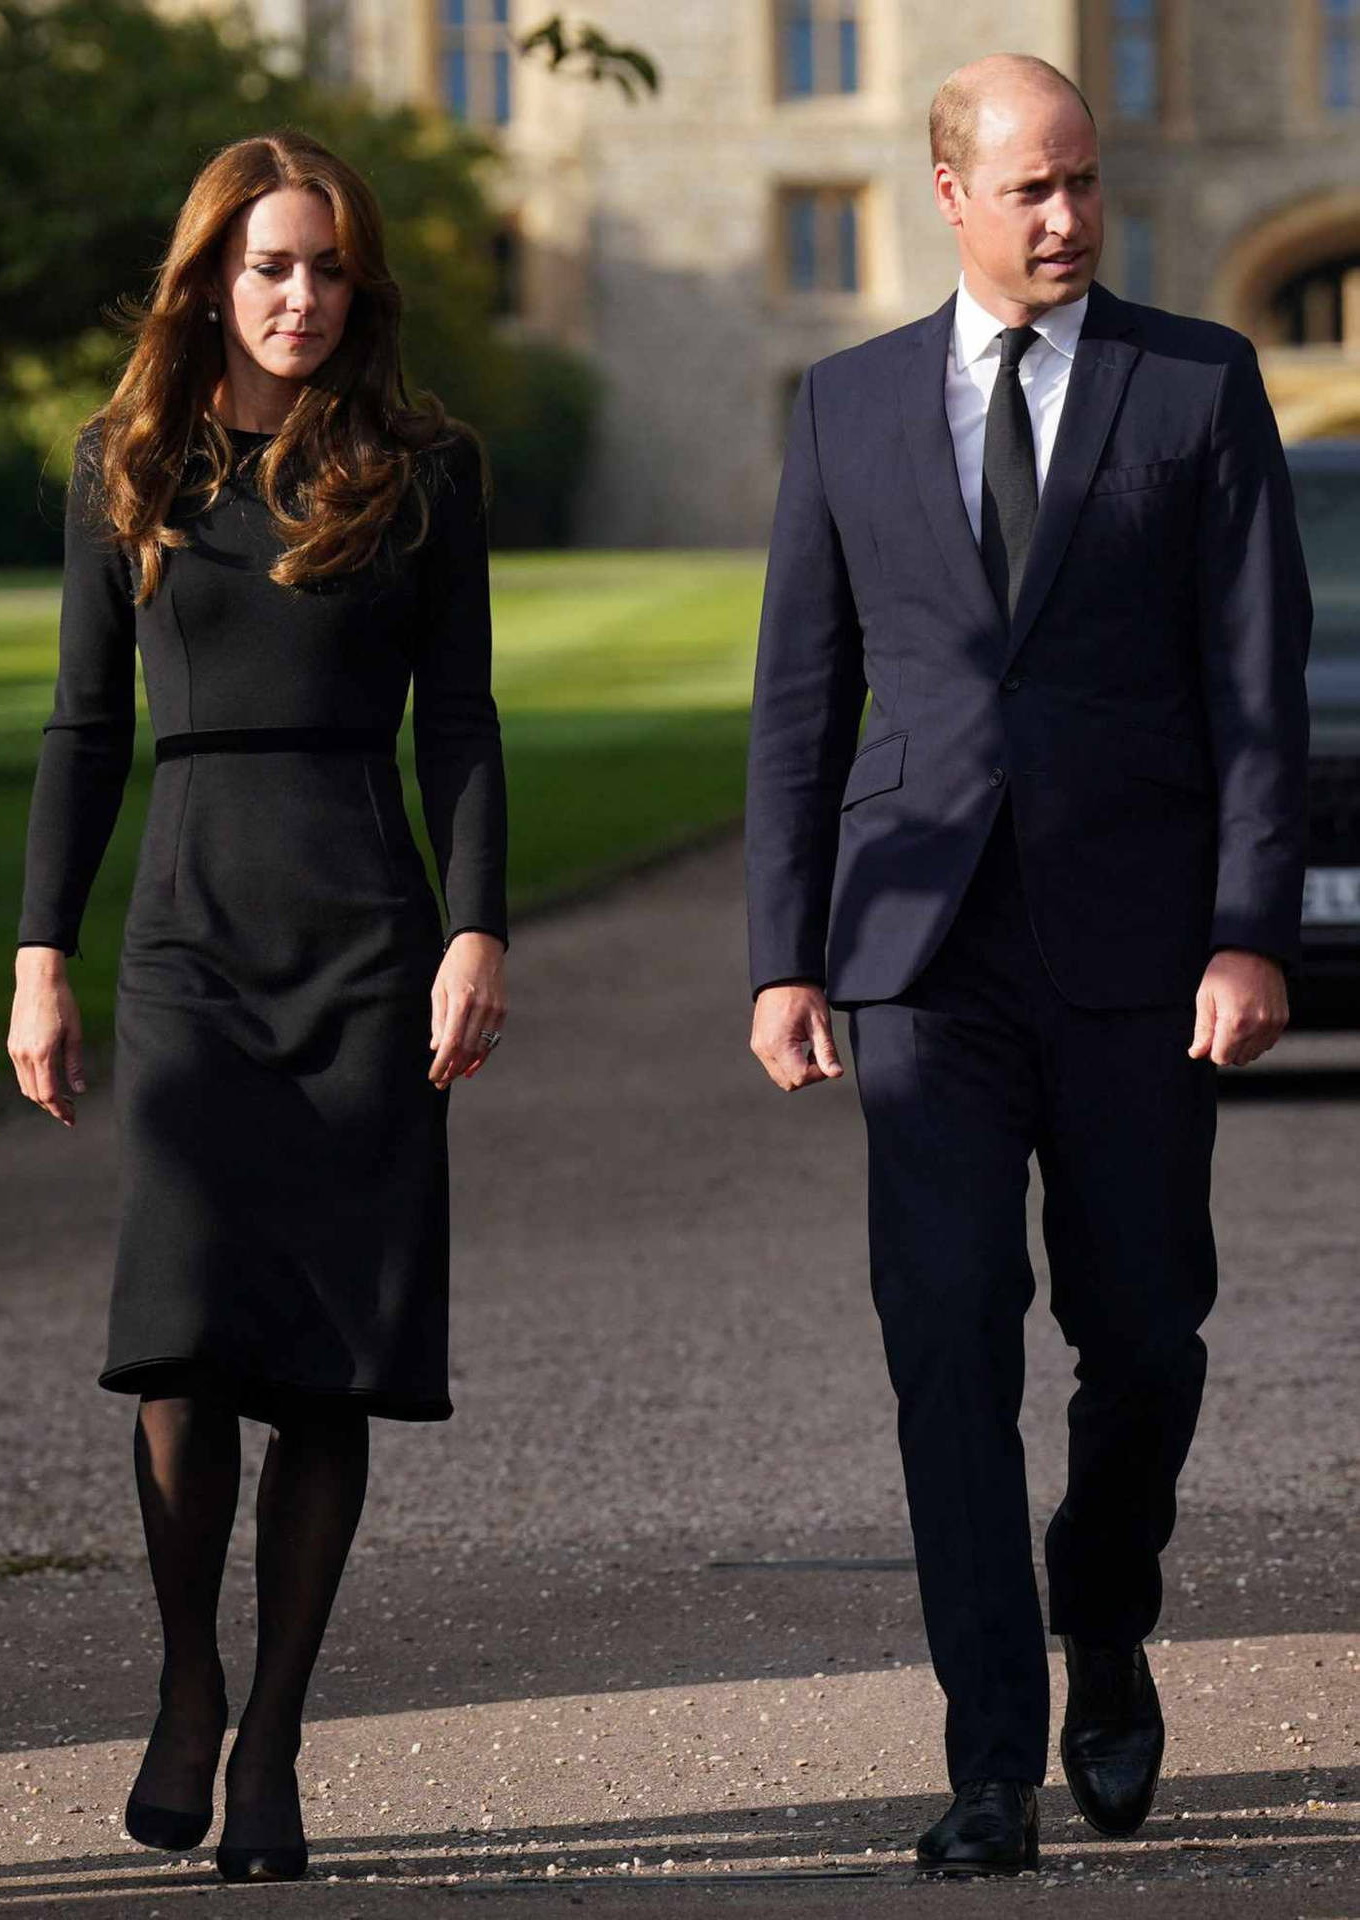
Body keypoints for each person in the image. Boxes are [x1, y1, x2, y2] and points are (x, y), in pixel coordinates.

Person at [746, 54, 1309, 1877]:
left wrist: (1246, 925)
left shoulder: (1198, 385)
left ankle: (1109, 1620)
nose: (1069, 217)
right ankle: (990, 1752)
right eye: (1033, 189)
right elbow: (800, 703)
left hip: (1144, 943)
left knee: (1143, 1331)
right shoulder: (841, 406)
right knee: (945, 1337)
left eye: (1082, 185)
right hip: (918, 950)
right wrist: (784, 956)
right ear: (948, 192)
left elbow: (1255, 685)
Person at [7, 129, 508, 1884]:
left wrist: (478, 928)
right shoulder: (124, 463)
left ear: (358, 288)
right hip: (188, 933)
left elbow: (461, 721)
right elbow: (82, 728)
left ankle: (280, 1736)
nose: (302, 297)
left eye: (328, 269)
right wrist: (38, 956)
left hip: (368, 929)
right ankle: (189, 1680)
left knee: (327, 1366)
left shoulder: (426, 469)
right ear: (212, 277)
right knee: (184, 1334)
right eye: (270, 266)